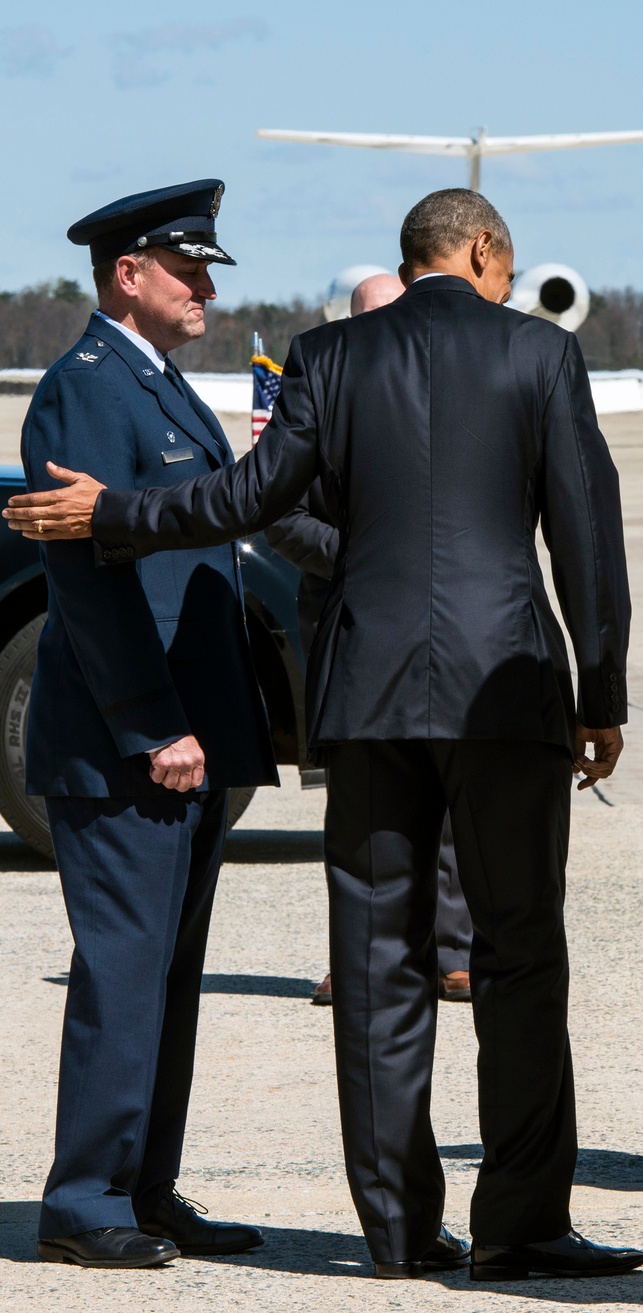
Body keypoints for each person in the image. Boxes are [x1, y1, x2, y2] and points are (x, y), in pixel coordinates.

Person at [8, 188, 643, 1283]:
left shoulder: (327, 354)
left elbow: (248, 495)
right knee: (519, 954)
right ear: (486, 251)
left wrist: (113, 513)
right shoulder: (538, 354)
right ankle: (521, 1223)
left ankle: (396, 1232)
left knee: (377, 961)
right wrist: (603, 690)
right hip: (506, 690)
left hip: (367, 696)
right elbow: (587, 532)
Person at [21, 180, 275, 1267]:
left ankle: (145, 1186)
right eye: (189, 269)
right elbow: (87, 583)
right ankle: (85, 1200)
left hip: (190, 740)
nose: (207, 288)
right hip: (133, 744)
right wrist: (152, 723)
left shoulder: (159, 383)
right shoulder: (87, 389)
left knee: (167, 971)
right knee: (124, 970)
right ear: (130, 274)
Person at [265, 271, 474, 1006]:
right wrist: (367, 558)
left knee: (447, 794)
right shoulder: (319, 395)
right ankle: (358, 956)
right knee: (357, 809)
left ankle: (453, 949)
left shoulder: (439, 404)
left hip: (436, 626)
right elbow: (279, 514)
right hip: (345, 622)